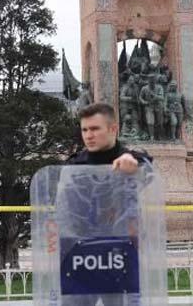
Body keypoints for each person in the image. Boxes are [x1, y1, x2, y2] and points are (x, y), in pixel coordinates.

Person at [65, 103, 151, 306]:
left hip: (119, 257)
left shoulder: (131, 160)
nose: (88, 135)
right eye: (84, 129)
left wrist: (133, 162)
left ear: (113, 129)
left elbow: (148, 170)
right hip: (81, 257)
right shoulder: (74, 166)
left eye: (95, 129)